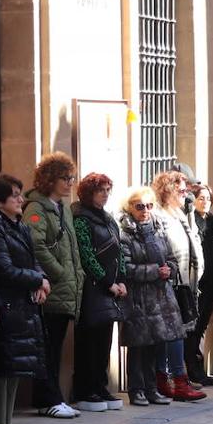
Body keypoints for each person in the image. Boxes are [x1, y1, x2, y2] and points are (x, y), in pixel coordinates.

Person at [0, 174, 47, 424]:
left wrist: (41, 280)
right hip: (3, 301)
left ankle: (5, 422)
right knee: (4, 364)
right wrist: (37, 279)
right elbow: (2, 269)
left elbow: (32, 259)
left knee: (15, 364)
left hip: (21, 302)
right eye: (15, 195)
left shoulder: (18, 225)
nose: (21, 200)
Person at [22, 152, 84, 418]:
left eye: (71, 178)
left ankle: (55, 395)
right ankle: (47, 398)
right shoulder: (36, 209)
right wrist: (58, 272)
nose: (70, 183)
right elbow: (36, 245)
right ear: (49, 180)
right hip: (52, 289)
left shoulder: (62, 208)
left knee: (56, 347)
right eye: (65, 178)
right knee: (47, 347)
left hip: (65, 288)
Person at [119, 186, 187, 406]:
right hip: (137, 298)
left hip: (160, 296)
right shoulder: (125, 232)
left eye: (149, 205)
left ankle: (152, 389)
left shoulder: (158, 228)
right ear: (130, 207)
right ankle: (136, 390)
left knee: (155, 344)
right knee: (138, 346)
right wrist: (153, 271)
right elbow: (126, 268)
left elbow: (172, 258)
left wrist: (170, 269)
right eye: (139, 206)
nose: (145, 210)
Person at [70, 172, 128, 411]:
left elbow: (118, 250)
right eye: (100, 190)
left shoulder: (108, 218)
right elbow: (86, 255)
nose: (104, 194)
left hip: (112, 288)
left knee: (105, 341)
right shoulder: (81, 218)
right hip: (94, 289)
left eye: (107, 190)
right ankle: (86, 388)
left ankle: (100, 385)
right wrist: (107, 282)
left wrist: (122, 279)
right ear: (88, 193)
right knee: (89, 340)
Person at [152, 169, 206, 401]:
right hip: (170, 283)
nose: (186, 194)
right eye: (181, 189)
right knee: (173, 334)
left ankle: (177, 379)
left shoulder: (182, 213)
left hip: (185, 283)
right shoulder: (160, 215)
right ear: (168, 190)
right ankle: (172, 379)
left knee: (179, 333)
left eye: (187, 189)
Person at [187, 183, 213, 385]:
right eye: (201, 198)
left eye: (208, 198)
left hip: (212, 281)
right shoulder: (192, 221)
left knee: (201, 328)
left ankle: (198, 368)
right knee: (194, 327)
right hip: (198, 283)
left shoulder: (212, 221)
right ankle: (192, 369)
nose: (205, 202)